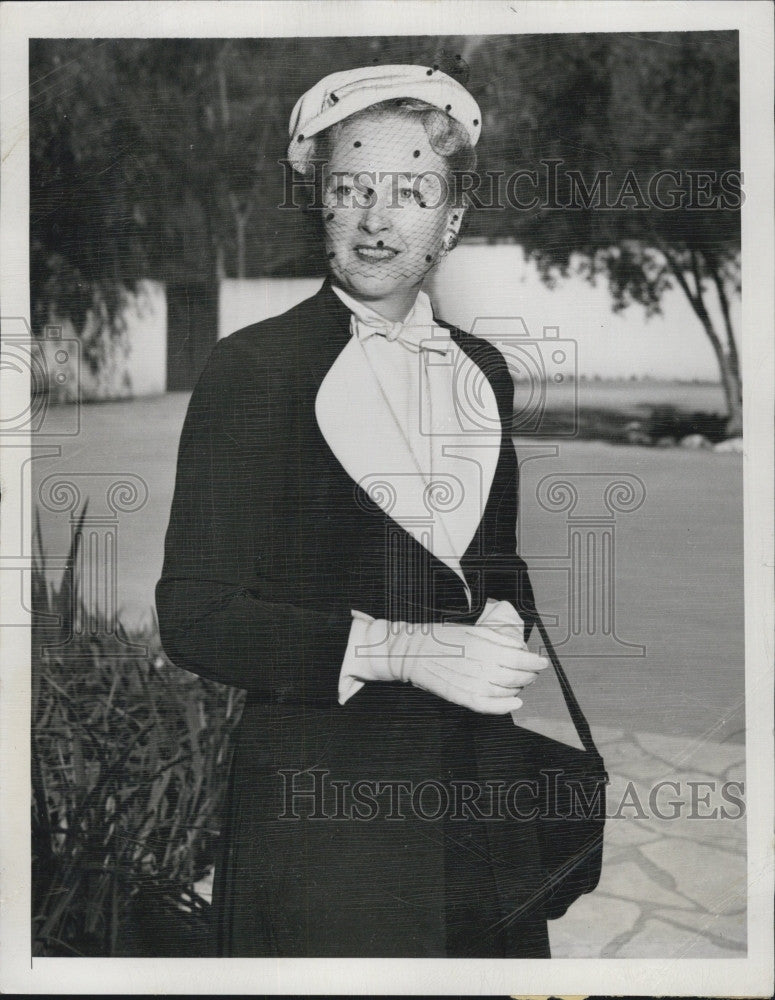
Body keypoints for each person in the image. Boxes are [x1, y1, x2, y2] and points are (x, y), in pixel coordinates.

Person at [156, 63, 553, 958]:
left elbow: (497, 563)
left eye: (411, 192)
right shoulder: (251, 369)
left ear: (450, 220)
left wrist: (502, 622)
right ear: (320, 206)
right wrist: (409, 651)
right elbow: (195, 616)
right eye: (351, 190)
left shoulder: (482, 368)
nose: (377, 220)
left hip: (472, 795)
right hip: (324, 807)